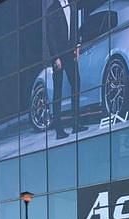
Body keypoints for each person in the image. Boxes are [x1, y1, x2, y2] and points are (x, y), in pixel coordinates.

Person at [46, 0, 87, 139]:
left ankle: (76, 124)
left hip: (70, 52)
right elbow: (50, 36)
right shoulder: (51, 9)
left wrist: (77, 45)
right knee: (58, 91)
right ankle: (59, 130)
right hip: (58, 55)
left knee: (76, 83)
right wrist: (55, 57)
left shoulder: (72, 4)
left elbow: (74, 28)